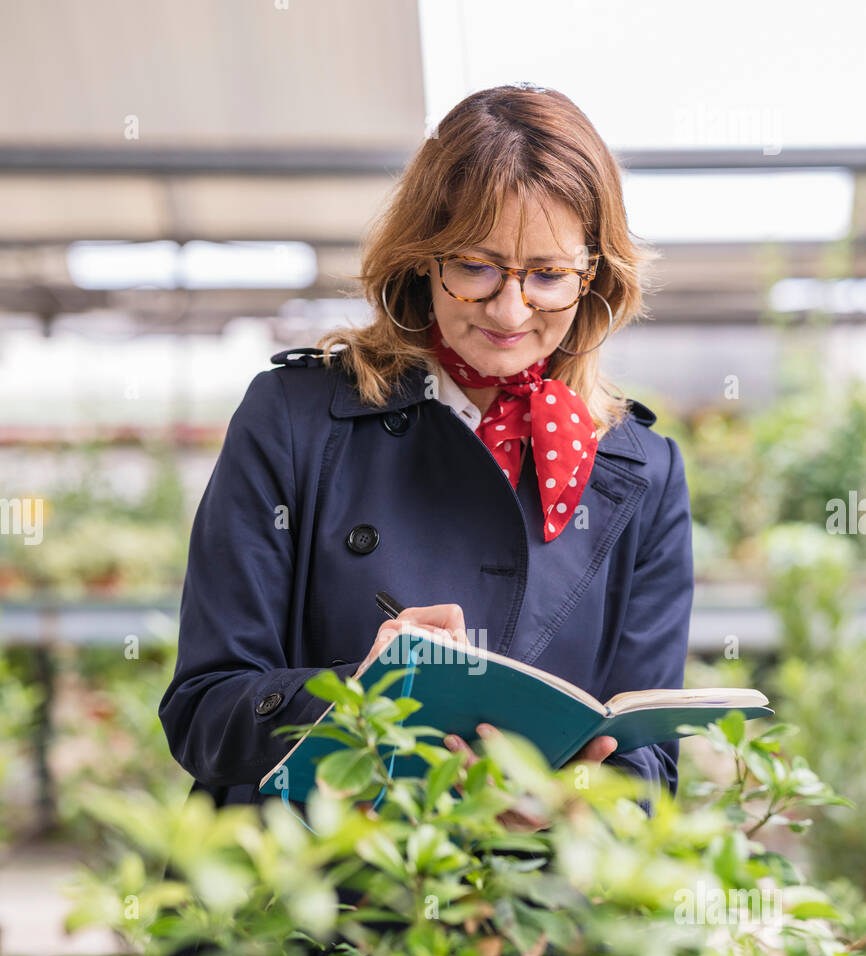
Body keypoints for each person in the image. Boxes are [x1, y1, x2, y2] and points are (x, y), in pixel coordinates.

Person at [158, 83, 694, 837]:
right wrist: (356, 694)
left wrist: (576, 803)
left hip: (522, 928)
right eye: (475, 267)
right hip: (307, 915)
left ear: (595, 276)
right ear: (419, 258)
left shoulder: (640, 470)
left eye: (547, 276)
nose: (510, 313)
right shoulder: (294, 419)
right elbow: (203, 713)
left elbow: (652, 764)